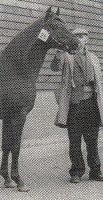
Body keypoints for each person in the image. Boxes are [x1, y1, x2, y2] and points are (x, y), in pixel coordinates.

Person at [50, 28, 103, 183]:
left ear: (87, 39)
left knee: (92, 140)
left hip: (92, 104)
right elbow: (55, 68)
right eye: (77, 36)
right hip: (74, 104)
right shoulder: (67, 55)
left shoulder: (94, 58)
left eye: (83, 36)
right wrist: (59, 53)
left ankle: (95, 170)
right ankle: (76, 172)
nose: (80, 39)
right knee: (74, 140)